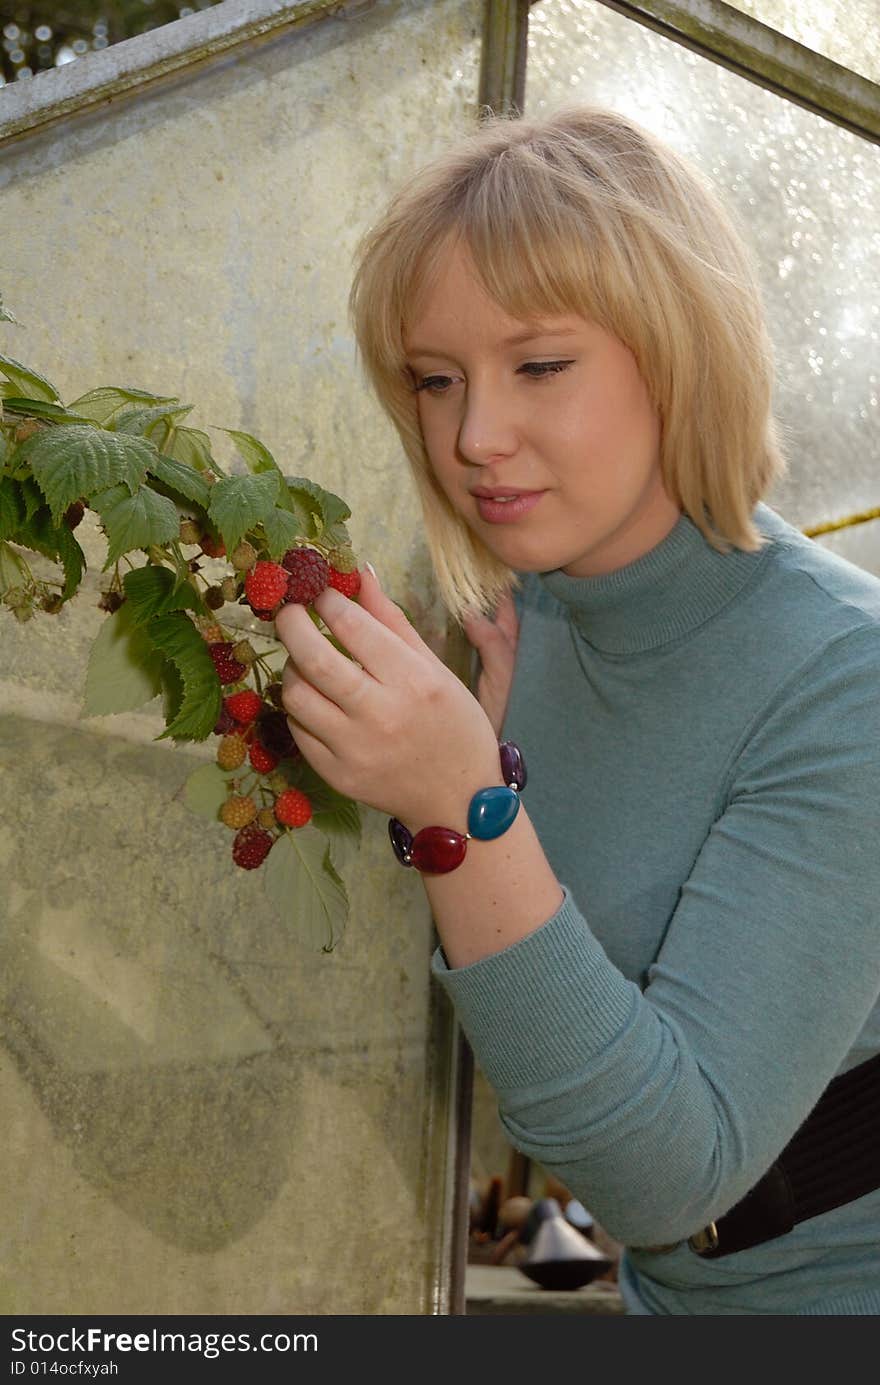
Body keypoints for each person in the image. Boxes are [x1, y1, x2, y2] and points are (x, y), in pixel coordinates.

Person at [274, 107, 880, 1315]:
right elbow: (551, 1052)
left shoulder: (843, 682)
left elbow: (669, 1169)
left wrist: (466, 806)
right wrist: (475, 781)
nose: (472, 438)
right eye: (436, 380)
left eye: (539, 365)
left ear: (681, 351)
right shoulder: (528, 626)